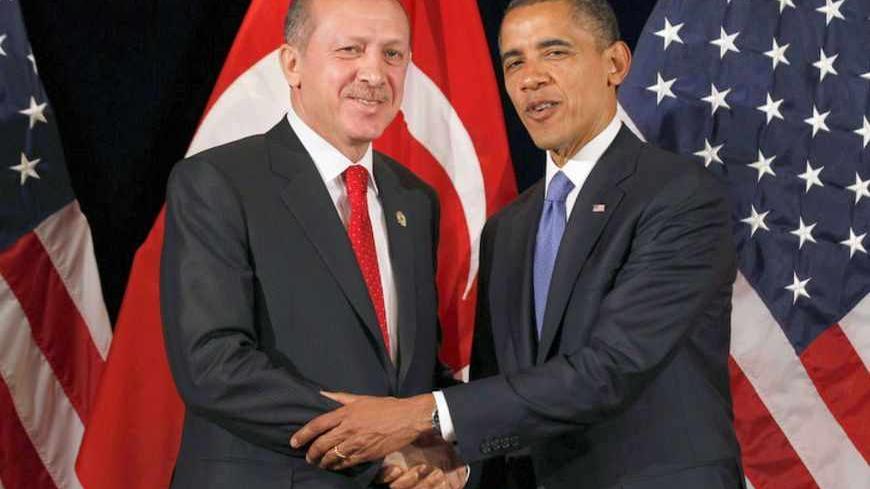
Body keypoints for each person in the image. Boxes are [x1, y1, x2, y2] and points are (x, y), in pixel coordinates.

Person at [291, 0, 745, 488]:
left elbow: (610, 369)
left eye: (555, 53)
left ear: (614, 64)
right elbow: (499, 387)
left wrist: (417, 414)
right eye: (514, 62)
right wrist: (455, 465)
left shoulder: (680, 197)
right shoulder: (508, 227)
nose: (531, 78)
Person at [160, 0, 466, 487]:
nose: (374, 73)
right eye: (350, 50)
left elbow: (416, 372)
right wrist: (377, 442)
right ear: (292, 63)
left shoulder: (416, 200)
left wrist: (451, 453)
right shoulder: (218, 182)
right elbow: (213, 363)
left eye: (393, 55)